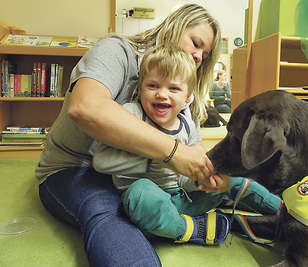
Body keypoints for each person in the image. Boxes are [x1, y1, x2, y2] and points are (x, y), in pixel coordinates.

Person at [36, 4, 225, 266]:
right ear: (171, 30)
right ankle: (185, 229)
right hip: (78, 169)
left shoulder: (184, 86)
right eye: (195, 43)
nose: (197, 56)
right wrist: (174, 152)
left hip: (143, 176)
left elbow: (193, 142)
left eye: (204, 55)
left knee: (222, 186)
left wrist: (207, 170)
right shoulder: (117, 50)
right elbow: (86, 107)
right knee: (110, 214)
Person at [93, 43, 283, 246]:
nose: (162, 94)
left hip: (184, 199)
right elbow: (102, 159)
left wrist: (204, 180)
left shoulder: (188, 123)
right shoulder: (131, 113)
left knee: (233, 179)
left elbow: (186, 178)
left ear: (188, 96)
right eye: (153, 86)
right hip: (148, 205)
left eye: (173, 88)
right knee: (142, 194)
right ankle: (189, 229)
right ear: (139, 90)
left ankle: (283, 210)